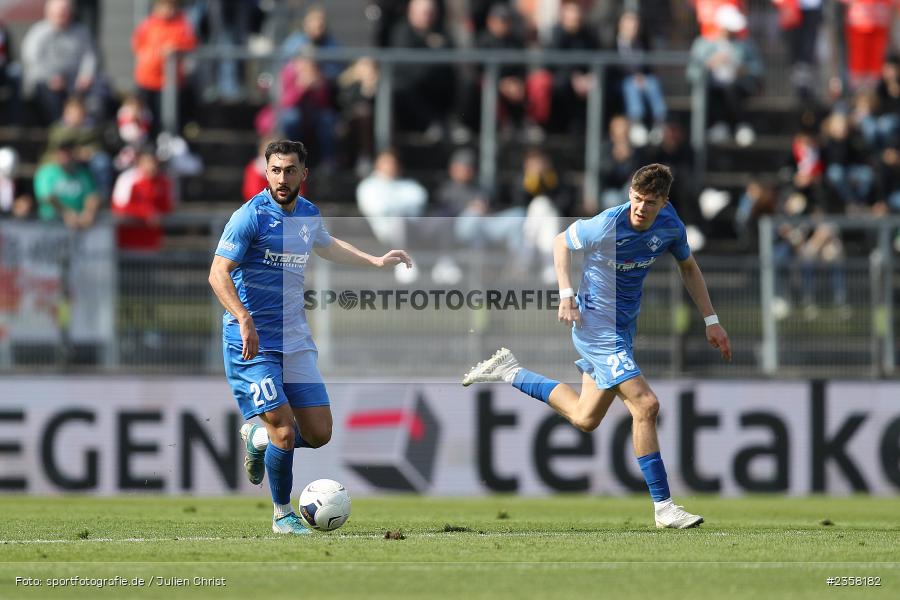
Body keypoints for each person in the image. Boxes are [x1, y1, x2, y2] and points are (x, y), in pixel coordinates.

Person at [462, 163, 732, 529]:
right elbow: (561, 242)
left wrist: (711, 320)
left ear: (664, 202)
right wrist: (566, 294)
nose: (640, 207)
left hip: (621, 331)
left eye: (649, 202)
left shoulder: (671, 226)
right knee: (646, 405)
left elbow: (689, 267)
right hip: (595, 328)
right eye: (636, 198)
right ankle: (664, 507)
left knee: (585, 417)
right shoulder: (606, 224)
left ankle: (510, 370)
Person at [209, 140, 412, 535]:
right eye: (275, 170)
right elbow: (218, 273)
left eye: (289, 170)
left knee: (318, 433)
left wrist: (373, 259)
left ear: (304, 174)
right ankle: (282, 515)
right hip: (252, 342)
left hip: (295, 340)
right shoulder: (249, 217)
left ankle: (257, 436)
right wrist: (242, 316)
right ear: (266, 172)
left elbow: (328, 245)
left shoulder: (307, 214)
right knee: (284, 429)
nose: (281, 179)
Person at [20, 0, 98, 124]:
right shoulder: (38, 32)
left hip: (74, 80)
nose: (62, 17)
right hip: (46, 81)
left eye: (65, 14)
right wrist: (51, 77)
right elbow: (31, 59)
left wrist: (86, 75)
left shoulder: (81, 32)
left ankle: (88, 129)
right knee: (48, 97)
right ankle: (56, 130)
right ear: (49, 14)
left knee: (98, 93)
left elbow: (89, 56)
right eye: (58, 14)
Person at [132, 0, 198, 131]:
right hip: (146, 79)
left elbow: (191, 43)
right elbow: (138, 44)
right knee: (146, 118)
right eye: (164, 6)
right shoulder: (148, 24)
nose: (168, 10)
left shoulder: (181, 24)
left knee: (168, 118)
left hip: (169, 82)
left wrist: (176, 49)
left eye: (171, 7)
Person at [111, 147, 173, 251]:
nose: (151, 166)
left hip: (152, 243)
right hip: (127, 243)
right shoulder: (127, 179)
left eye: (154, 162)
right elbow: (118, 208)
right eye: (147, 162)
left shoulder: (164, 181)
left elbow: (168, 206)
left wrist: (155, 213)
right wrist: (146, 212)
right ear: (139, 162)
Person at [33, 139, 100, 229]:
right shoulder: (46, 172)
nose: (65, 157)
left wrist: (88, 213)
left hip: (79, 224)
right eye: (62, 153)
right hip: (50, 223)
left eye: (69, 153)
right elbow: (47, 197)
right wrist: (66, 213)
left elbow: (92, 196)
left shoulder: (84, 174)